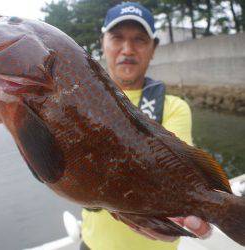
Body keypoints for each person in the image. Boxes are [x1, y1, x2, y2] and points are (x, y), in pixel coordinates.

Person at [81, 2, 211, 250]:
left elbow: (179, 175)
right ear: (102, 42)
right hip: (92, 243)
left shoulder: (174, 107)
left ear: (153, 48)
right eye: (117, 37)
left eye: (140, 39)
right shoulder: (79, 100)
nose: (127, 49)